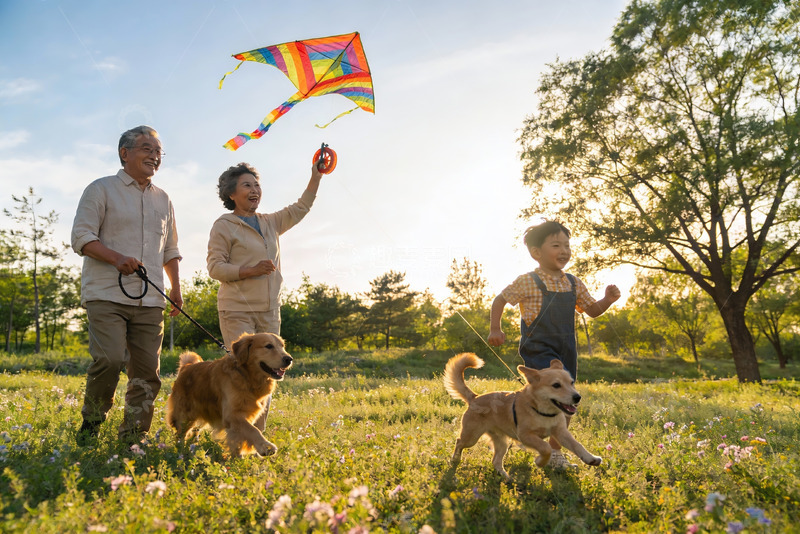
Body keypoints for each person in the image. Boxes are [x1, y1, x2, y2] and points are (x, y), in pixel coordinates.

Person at [71, 125, 182, 446]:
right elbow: (81, 237)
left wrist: (176, 289)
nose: (155, 156)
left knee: (147, 374)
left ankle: (133, 438)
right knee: (109, 360)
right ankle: (91, 424)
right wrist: (117, 258)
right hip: (106, 294)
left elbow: (171, 249)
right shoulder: (101, 189)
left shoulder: (165, 199)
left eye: (159, 151)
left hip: (151, 300)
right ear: (125, 153)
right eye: (147, 148)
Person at [488, 220, 620, 468]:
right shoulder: (528, 281)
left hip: (565, 350)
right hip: (538, 348)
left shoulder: (573, 282)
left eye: (567, 245)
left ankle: (554, 452)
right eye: (556, 245)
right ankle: (538, 440)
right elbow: (500, 300)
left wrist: (608, 300)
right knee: (550, 397)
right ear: (536, 252)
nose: (564, 251)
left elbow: (592, 311)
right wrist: (496, 328)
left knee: (565, 400)